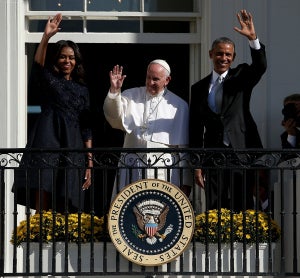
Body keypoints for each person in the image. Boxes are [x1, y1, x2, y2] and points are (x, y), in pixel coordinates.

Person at [13, 13, 93, 213]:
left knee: (67, 191)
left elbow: (86, 127)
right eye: (63, 57)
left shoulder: (82, 89)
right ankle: (41, 231)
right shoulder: (49, 80)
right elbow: (38, 66)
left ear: (77, 62)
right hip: (48, 138)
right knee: (45, 184)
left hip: (72, 143)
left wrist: (90, 162)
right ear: (56, 59)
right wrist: (46, 37)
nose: (68, 61)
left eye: (72, 58)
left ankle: (63, 236)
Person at [189, 10, 267, 211]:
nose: (223, 58)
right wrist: (197, 164)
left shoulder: (241, 76)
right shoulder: (198, 88)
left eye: (228, 54)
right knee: (215, 205)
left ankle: (243, 242)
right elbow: (195, 128)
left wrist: (253, 39)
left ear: (233, 57)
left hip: (241, 150)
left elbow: (260, 66)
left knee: (243, 203)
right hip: (214, 153)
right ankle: (216, 242)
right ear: (211, 54)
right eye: (219, 53)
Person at [103, 59, 192, 199]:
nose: (150, 83)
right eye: (148, 77)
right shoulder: (130, 96)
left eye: (155, 79)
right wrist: (114, 91)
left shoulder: (179, 106)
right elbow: (113, 118)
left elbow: (184, 149)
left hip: (165, 171)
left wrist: (186, 184)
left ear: (167, 80)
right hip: (132, 166)